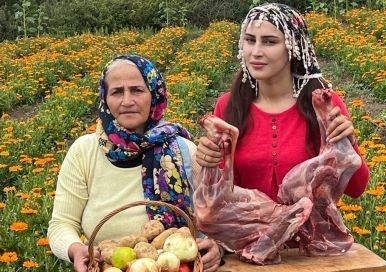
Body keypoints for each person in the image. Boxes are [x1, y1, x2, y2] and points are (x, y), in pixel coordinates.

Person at [48, 54, 222, 272]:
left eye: (137, 90)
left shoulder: (184, 150)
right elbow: (61, 224)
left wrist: (217, 246)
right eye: (117, 91)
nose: (127, 101)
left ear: (154, 95)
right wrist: (75, 248)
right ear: (105, 99)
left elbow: (218, 219)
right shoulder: (84, 151)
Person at [195, 3, 369, 202]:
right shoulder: (229, 105)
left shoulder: (322, 104)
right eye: (250, 40)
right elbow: (221, 193)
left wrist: (349, 144)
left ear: (293, 47)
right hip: (248, 229)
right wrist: (208, 160)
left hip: (311, 230)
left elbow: (356, 188)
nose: (256, 51)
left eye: (269, 42)